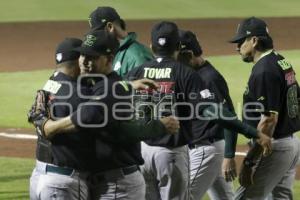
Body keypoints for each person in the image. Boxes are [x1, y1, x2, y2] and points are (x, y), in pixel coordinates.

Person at [126, 21, 272, 200]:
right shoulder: (184, 73)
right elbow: (212, 111)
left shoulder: (135, 73)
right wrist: (252, 132)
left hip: (143, 153)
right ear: (178, 47)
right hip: (170, 153)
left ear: (151, 46)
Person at [29, 29, 180, 200]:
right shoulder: (101, 86)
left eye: (92, 57)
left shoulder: (105, 90)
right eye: (82, 55)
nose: (84, 62)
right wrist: (128, 85)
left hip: (119, 184)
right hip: (98, 182)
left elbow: (109, 123)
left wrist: (50, 127)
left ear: (109, 59)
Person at [229, 17, 300, 200]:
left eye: (240, 41)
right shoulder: (280, 60)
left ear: (254, 41)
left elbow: (268, 120)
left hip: (273, 146)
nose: (237, 48)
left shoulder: (264, 70)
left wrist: (250, 161)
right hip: (289, 142)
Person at [28, 38, 92, 200]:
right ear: (79, 60)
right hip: (62, 181)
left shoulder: (50, 82)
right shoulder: (78, 92)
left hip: (40, 175)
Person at [178, 30, 236, 200]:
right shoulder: (190, 75)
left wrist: (229, 155)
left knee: (182, 196)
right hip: (204, 148)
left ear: (188, 54)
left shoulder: (209, 78)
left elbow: (229, 116)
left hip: (206, 149)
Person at [88, 6, 153, 77]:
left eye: (98, 33)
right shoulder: (111, 52)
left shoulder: (137, 57)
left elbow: (145, 86)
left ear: (110, 27)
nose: (97, 37)